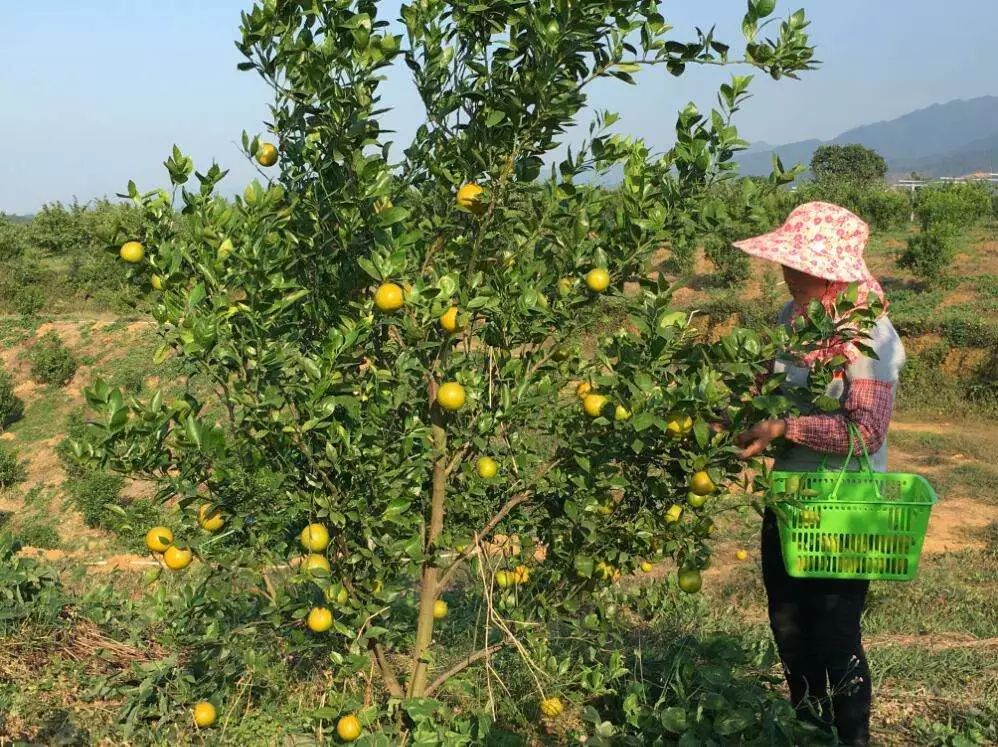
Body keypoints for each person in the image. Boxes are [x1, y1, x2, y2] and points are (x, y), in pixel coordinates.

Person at [732, 202, 906, 746]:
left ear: (830, 273)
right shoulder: (792, 318)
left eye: (798, 264)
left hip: (844, 506)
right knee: (787, 625)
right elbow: (766, 387)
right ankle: (808, 730)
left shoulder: (868, 336)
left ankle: (851, 737)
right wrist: (729, 417)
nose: (786, 273)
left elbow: (865, 432)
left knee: (833, 635)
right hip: (789, 499)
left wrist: (783, 429)